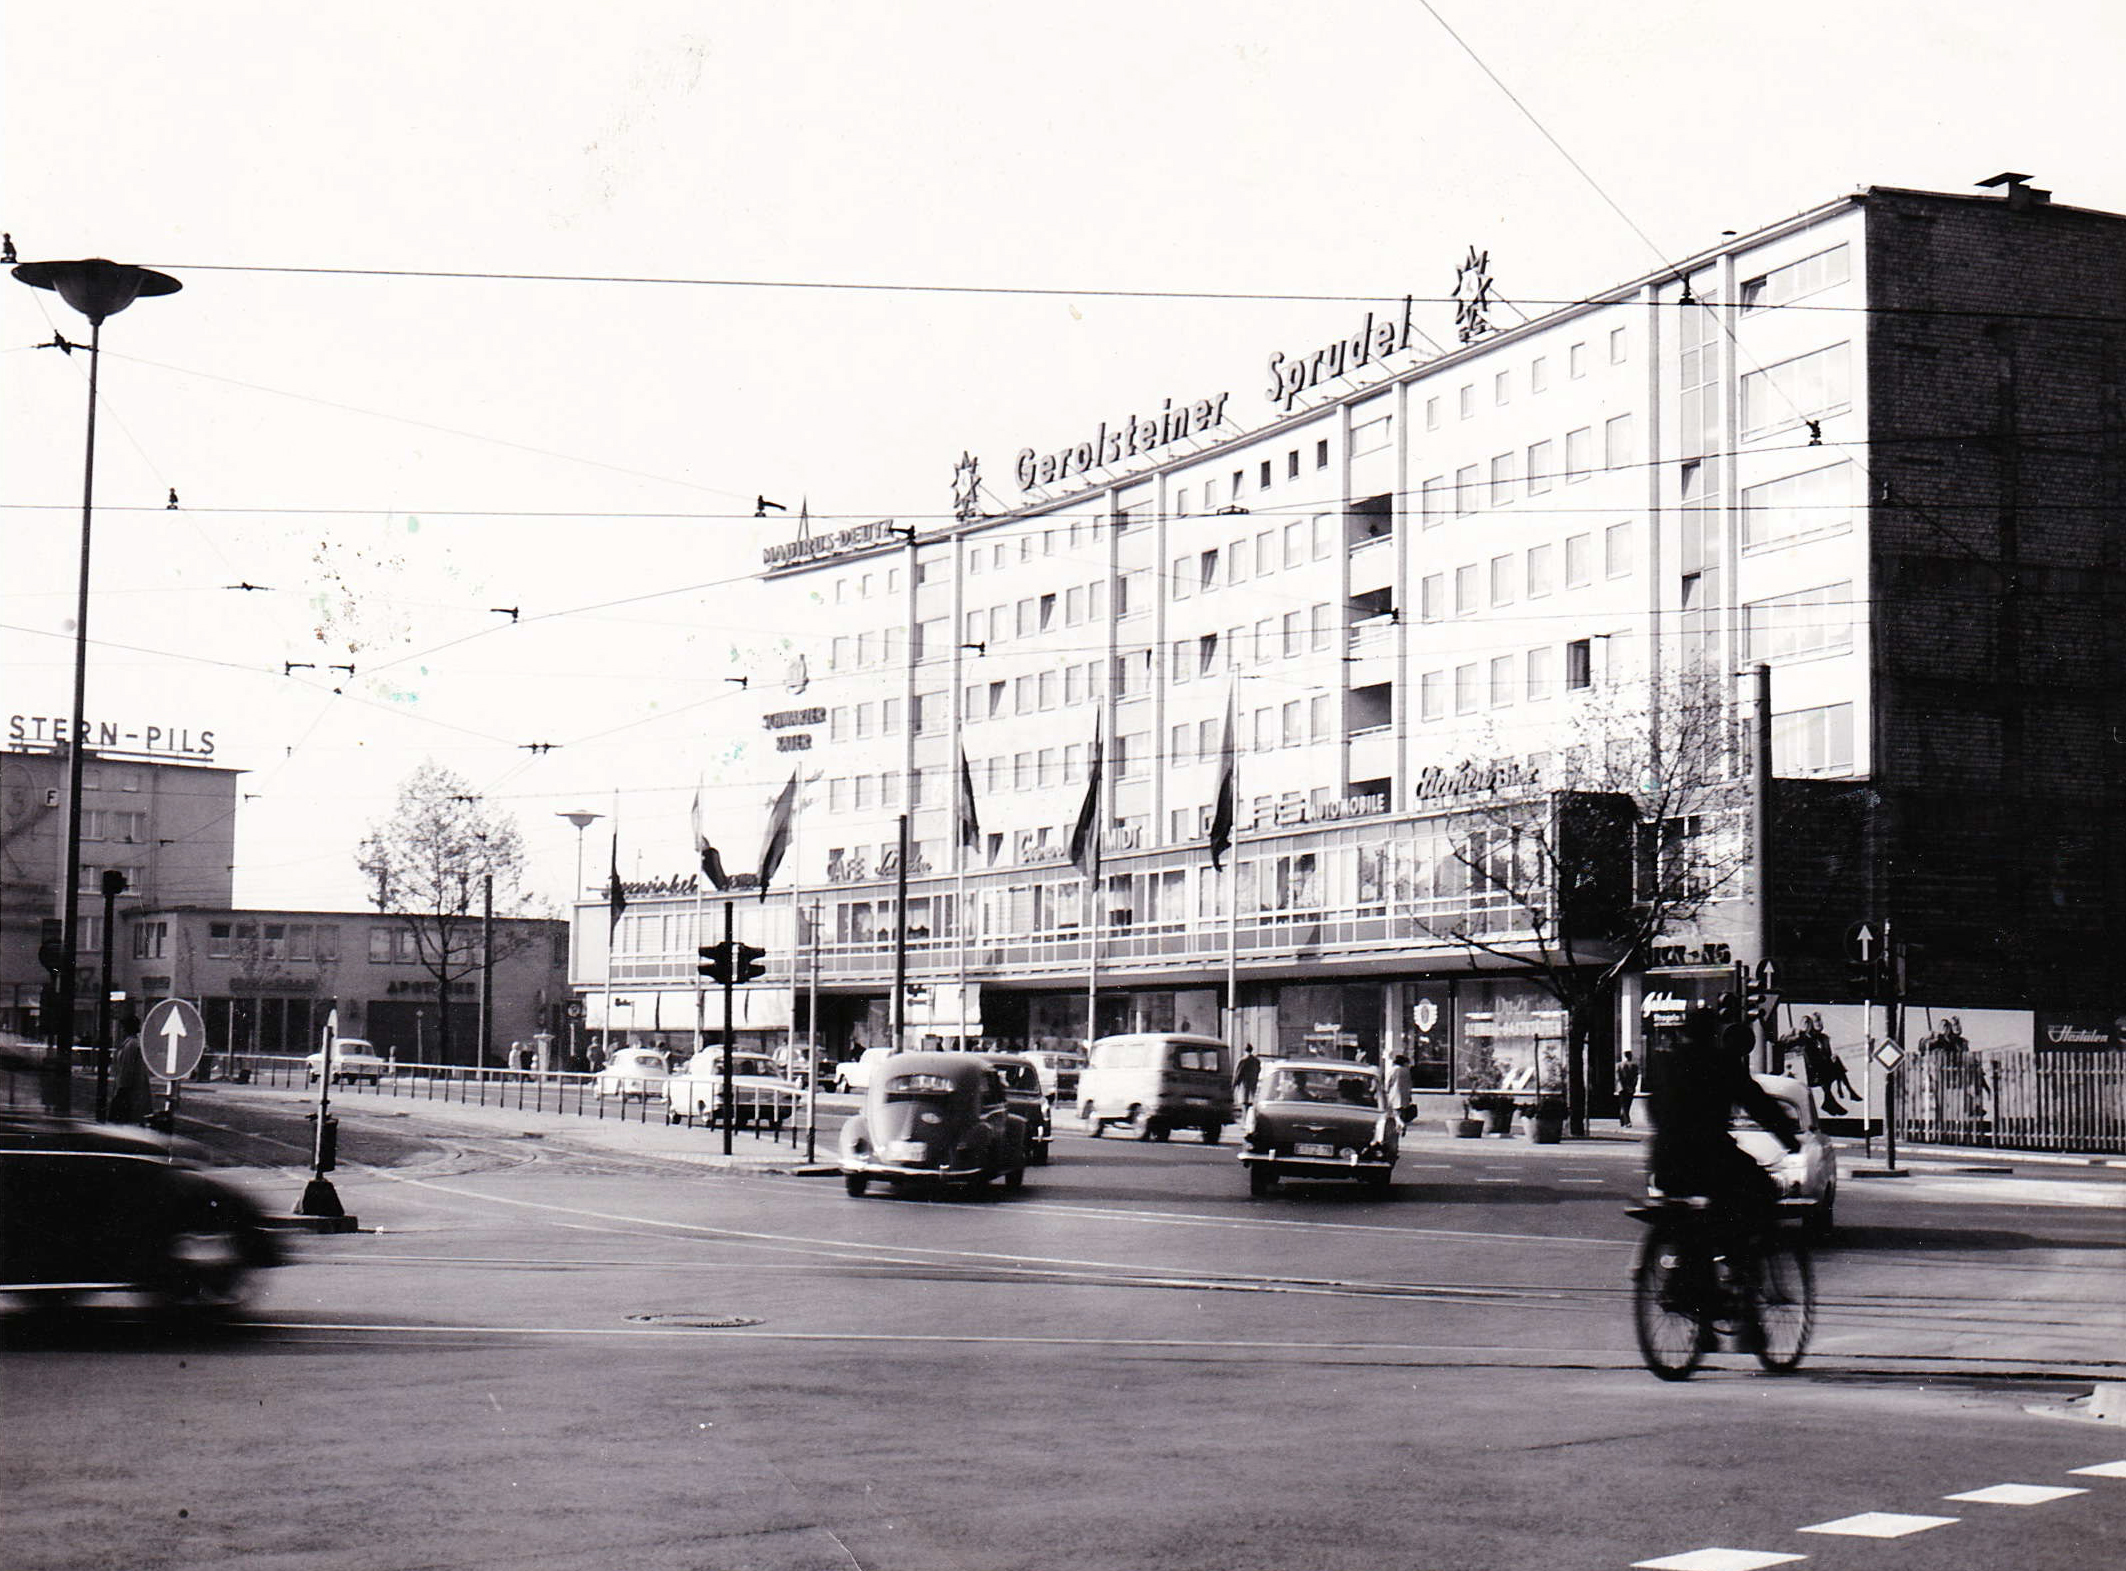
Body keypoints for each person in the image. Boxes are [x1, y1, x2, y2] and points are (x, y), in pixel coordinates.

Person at [1647, 1004, 1800, 1253]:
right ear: (1713, 1033)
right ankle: (1735, 1260)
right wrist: (1789, 1140)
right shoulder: (1722, 1064)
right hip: (1712, 1157)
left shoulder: (1667, 1062)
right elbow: (1760, 1106)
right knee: (1761, 1188)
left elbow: (1653, 1107)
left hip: (1665, 1159)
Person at [1384, 1052, 1413, 1127]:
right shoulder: (1406, 1070)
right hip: (1405, 1092)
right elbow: (1409, 1083)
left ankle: (1399, 1123)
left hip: (1394, 1091)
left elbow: (1388, 1081)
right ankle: (1401, 1121)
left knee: (1394, 1108)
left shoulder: (1393, 1070)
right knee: (1402, 1108)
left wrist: (1386, 1089)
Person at [1615, 1050, 1640, 1128]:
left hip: (1622, 1088)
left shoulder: (1619, 1065)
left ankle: (1623, 1119)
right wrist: (1633, 1086)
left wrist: (1623, 1086)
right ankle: (1627, 1121)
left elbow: (1618, 1077)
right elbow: (1636, 1077)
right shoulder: (1635, 1065)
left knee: (1624, 1105)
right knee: (1627, 1105)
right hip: (1629, 1088)